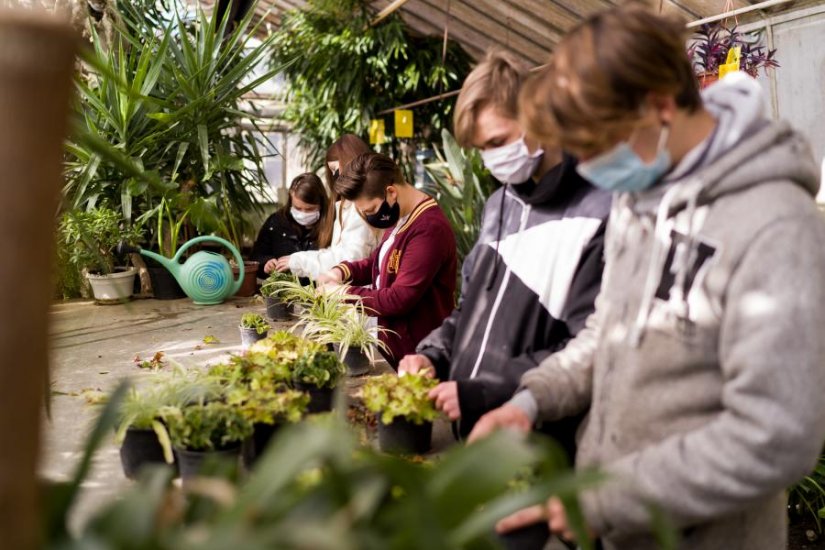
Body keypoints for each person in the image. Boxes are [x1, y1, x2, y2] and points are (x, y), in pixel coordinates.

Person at [471, 6, 825, 550]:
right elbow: (606, 330)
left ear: (659, 106)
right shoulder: (640, 198)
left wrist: (607, 500)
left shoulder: (774, 224)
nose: (584, 166)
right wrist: (531, 401)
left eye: (593, 146)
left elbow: (776, 434)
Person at [398, 50, 611, 448]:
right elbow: (471, 310)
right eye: (482, 148)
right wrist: (432, 356)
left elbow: (588, 346)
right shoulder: (500, 205)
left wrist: (486, 390)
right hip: (474, 434)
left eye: (498, 141)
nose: (493, 159)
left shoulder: (596, 212)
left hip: (536, 439)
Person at [316, 152, 457, 367]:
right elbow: (378, 263)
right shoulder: (400, 215)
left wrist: (342, 293)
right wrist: (341, 271)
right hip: (396, 350)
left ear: (391, 192)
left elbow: (399, 299)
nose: (370, 216)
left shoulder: (428, 229)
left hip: (419, 358)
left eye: (371, 209)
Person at [275, 134, 381, 279]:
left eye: (336, 169)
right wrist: (298, 260)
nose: (335, 176)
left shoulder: (362, 206)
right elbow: (338, 252)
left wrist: (299, 261)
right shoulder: (346, 204)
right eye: (332, 171)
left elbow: (349, 261)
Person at [253, 173, 328, 279]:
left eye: (310, 209)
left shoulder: (332, 223)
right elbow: (256, 257)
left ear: (321, 204)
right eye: (297, 208)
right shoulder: (276, 222)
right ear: (290, 201)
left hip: (320, 289)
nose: (303, 214)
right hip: (281, 290)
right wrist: (266, 263)